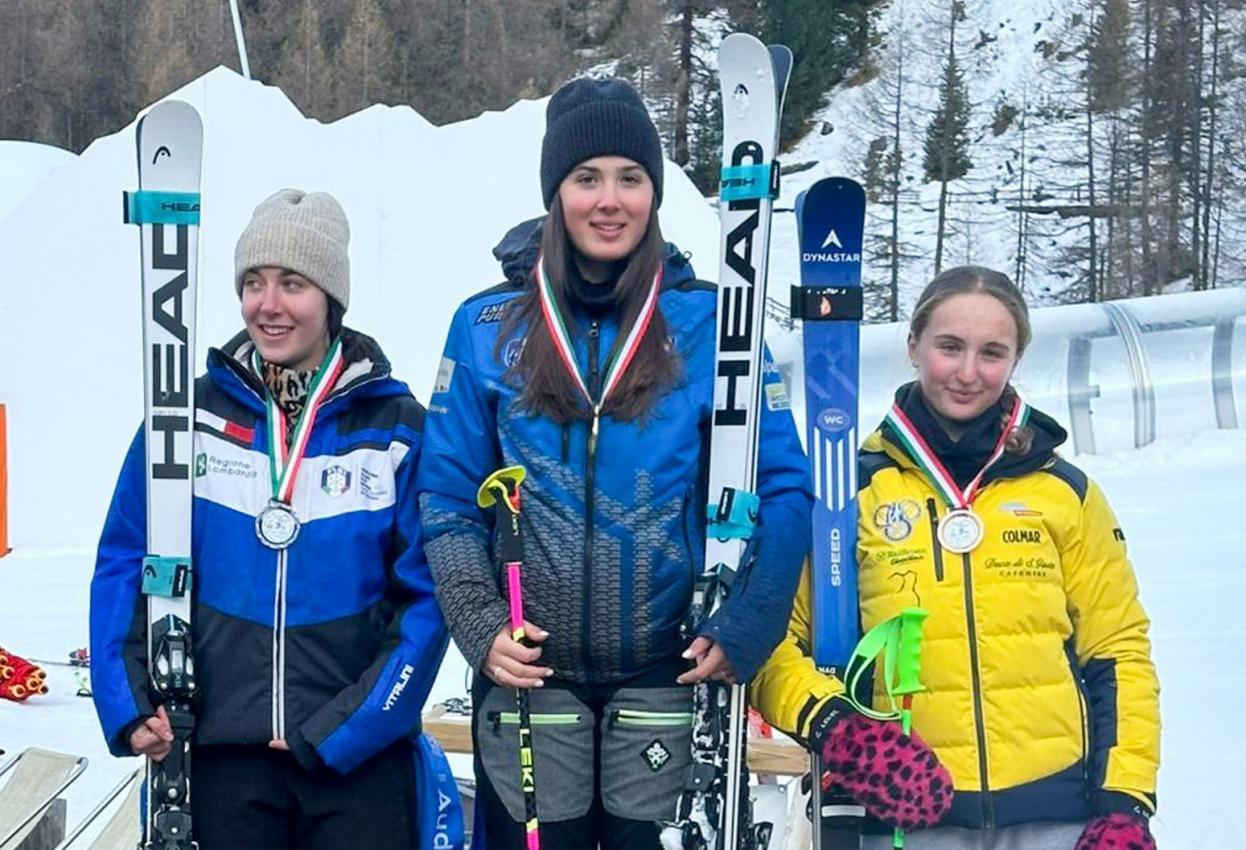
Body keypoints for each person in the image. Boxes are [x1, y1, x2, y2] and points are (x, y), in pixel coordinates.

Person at [417, 78, 813, 850]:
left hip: (667, 675)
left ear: (654, 195)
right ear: (554, 192)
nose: (610, 199)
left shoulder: (712, 322)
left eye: (631, 178)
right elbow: (446, 496)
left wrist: (752, 621)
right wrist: (479, 622)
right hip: (532, 680)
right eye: (586, 177)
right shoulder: (485, 326)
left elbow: (786, 487)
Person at [753, 266, 1161, 850]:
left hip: (1058, 813)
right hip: (905, 819)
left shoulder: (1064, 493)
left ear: (1016, 358)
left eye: (992, 352)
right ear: (914, 345)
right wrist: (839, 729)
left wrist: (1126, 802)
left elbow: (1118, 652)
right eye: (950, 347)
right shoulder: (848, 495)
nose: (969, 373)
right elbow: (770, 643)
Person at [91, 189, 449, 850]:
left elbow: (428, 600)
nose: (268, 304)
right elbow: (124, 557)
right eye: (253, 283)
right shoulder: (186, 420)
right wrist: (128, 700)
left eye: (293, 283)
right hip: (227, 753)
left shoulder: (395, 429)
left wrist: (354, 725)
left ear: (331, 297)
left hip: (356, 759)